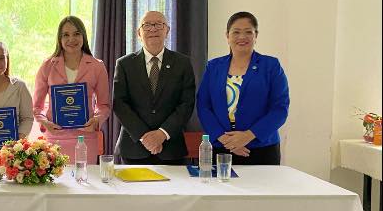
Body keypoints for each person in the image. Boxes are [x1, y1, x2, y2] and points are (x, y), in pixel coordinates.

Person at [197, 11, 289, 165]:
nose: (242, 37)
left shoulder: (271, 66)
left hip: (261, 147)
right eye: (236, 32)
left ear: (256, 35)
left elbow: (280, 109)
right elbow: (203, 106)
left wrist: (248, 136)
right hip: (222, 146)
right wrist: (225, 139)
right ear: (227, 36)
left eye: (248, 32)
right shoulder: (214, 67)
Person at [112, 11, 196, 165]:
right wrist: (145, 137)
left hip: (172, 149)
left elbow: (187, 104)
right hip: (134, 148)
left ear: (167, 31)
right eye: (147, 25)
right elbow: (120, 104)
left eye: (158, 24)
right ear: (139, 33)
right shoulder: (124, 64)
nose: (153, 29)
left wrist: (162, 134)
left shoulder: (182, 63)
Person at [32, 16, 111, 164]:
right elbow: (37, 107)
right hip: (55, 139)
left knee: (86, 178)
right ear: (59, 39)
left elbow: (104, 105)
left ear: (83, 36)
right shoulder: (47, 66)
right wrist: (45, 122)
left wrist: (96, 120)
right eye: (66, 35)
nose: (71, 39)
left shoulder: (97, 66)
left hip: (85, 138)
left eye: (76, 34)